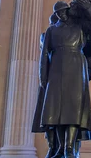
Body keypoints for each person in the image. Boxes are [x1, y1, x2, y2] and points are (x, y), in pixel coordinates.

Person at [40, 0, 91, 158]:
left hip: (76, 67)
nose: (61, 14)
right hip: (56, 68)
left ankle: (69, 148)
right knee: (57, 111)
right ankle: (61, 148)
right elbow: (44, 55)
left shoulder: (80, 26)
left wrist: (87, 6)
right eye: (58, 12)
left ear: (68, 11)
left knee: (73, 109)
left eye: (63, 11)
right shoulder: (51, 30)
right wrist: (43, 77)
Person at [32, 14, 60, 158]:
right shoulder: (46, 36)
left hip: (61, 82)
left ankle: (59, 147)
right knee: (48, 118)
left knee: (60, 118)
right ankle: (52, 146)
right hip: (49, 82)